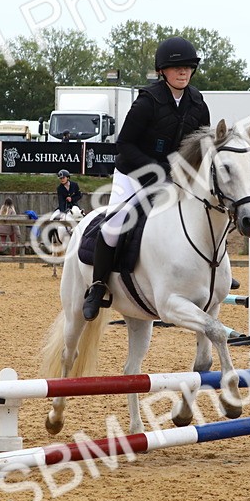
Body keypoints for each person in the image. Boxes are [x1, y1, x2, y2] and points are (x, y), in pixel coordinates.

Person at [83, 36, 210, 320]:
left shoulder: (198, 104)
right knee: (115, 223)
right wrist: (158, 171)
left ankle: (211, 272)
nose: (183, 72)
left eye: (188, 67)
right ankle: (98, 285)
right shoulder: (147, 102)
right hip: (134, 172)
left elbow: (201, 147)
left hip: (176, 178)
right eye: (177, 68)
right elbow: (125, 145)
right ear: (162, 71)